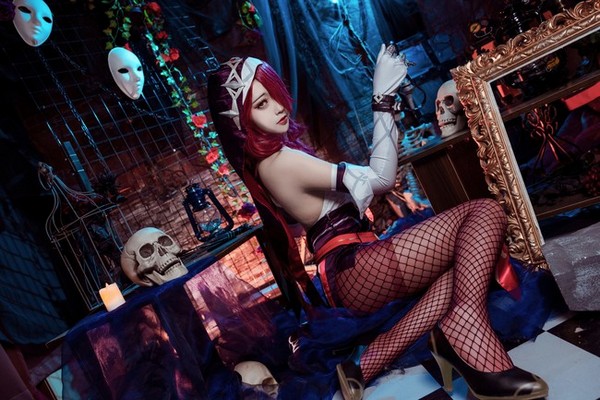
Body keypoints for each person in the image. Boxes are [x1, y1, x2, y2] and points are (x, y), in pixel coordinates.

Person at [207, 45, 549, 400]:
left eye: (275, 95)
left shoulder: (273, 162)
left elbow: (365, 185)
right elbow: (381, 178)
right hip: (353, 268)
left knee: (466, 263)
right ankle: (465, 327)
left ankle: (369, 363)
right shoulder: (279, 162)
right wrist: (381, 99)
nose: (278, 107)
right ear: (239, 121)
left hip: (353, 264)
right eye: (261, 104)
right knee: (485, 213)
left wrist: (385, 103)